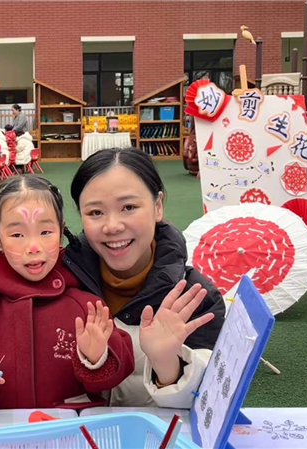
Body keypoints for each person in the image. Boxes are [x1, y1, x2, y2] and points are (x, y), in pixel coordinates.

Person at [0, 175, 135, 409]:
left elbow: (118, 369)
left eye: (45, 232)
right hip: (0, 426)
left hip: (68, 426)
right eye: (17, 235)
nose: (33, 247)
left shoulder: (85, 303)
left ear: (61, 231)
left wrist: (97, 358)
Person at [64, 148, 225, 408]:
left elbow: (208, 404)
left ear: (157, 206)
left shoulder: (195, 298)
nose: (112, 226)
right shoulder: (61, 283)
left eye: (129, 207)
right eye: (95, 212)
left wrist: (167, 365)